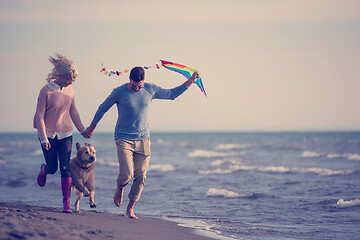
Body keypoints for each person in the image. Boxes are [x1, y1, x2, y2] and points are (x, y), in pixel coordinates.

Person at [83, 66, 198, 218]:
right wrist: (92, 127)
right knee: (127, 173)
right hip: (123, 138)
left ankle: (130, 208)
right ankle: (120, 187)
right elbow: (103, 108)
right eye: (134, 85)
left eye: (139, 86)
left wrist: (190, 82)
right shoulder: (119, 91)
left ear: (143, 81)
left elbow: (171, 94)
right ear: (129, 80)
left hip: (144, 138)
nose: (137, 88)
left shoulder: (150, 89)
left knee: (141, 176)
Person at [33, 54, 88, 213]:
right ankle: (44, 169)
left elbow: (73, 111)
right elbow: (39, 116)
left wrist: (82, 130)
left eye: (73, 79)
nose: (71, 82)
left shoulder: (70, 90)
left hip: (66, 134)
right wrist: (44, 138)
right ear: (60, 75)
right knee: (53, 168)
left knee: (65, 168)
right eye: (69, 79)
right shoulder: (46, 91)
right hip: (48, 135)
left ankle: (66, 204)